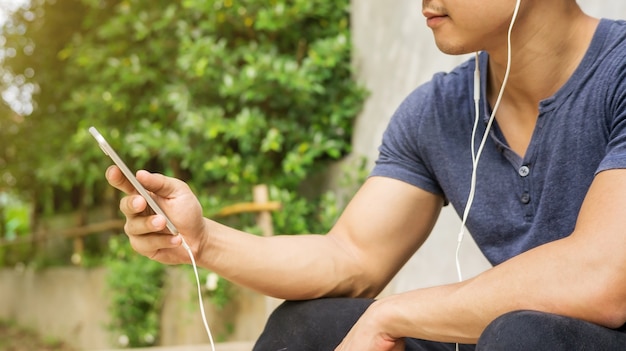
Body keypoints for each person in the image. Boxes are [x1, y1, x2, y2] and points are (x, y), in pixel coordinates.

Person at [104, 0, 626, 350]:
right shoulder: (439, 112)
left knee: (523, 336)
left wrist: (393, 314)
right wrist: (202, 240)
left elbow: (602, 278)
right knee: (307, 328)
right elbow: (351, 257)